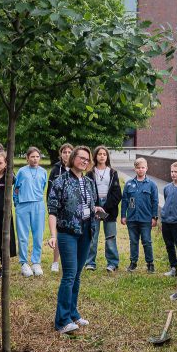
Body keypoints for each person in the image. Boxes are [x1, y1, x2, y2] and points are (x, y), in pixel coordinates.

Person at [47, 145, 101, 335]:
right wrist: (53, 235)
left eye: (88, 159)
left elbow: (88, 204)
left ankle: (72, 313)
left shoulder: (88, 182)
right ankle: (61, 321)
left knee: (77, 274)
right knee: (69, 274)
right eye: (82, 158)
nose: (85, 161)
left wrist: (95, 210)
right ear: (73, 159)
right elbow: (52, 210)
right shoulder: (60, 181)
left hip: (86, 230)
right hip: (67, 232)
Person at [85, 145, 121, 272]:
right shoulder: (90, 173)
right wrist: (95, 206)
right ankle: (90, 262)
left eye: (104, 154)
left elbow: (117, 194)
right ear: (95, 156)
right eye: (99, 154)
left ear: (107, 157)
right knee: (92, 236)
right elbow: (86, 192)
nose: (102, 156)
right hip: (94, 206)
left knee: (110, 237)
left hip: (109, 207)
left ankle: (112, 263)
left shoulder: (113, 173)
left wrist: (104, 207)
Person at [14, 146, 48, 277]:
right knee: (23, 236)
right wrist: (17, 202)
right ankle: (24, 262)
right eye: (32, 156)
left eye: (37, 156)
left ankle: (36, 262)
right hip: (23, 206)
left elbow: (43, 186)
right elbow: (16, 188)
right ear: (27, 158)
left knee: (38, 235)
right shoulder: (22, 171)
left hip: (38, 206)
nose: (35, 159)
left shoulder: (43, 172)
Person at [121, 157, 159, 273]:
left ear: (146, 169)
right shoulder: (129, 184)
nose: (140, 170)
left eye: (143, 167)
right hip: (132, 219)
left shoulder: (152, 185)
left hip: (146, 219)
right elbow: (125, 201)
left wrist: (154, 217)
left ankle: (150, 263)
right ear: (135, 169)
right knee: (133, 241)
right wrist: (123, 215)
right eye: (138, 168)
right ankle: (133, 262)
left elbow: (155, 201)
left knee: (147, 241)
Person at [48, 143, 74, 273]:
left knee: (70, 234)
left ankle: (68, 261)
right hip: (58, 207)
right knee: (57, 234)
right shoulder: (55, 170)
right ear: (61, 154)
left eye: (70, 152)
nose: (67, 154)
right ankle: (55, 262)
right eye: (65, 152)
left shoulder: (76, 168)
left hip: (72, 208)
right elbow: (50, 190)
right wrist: (51, 207)